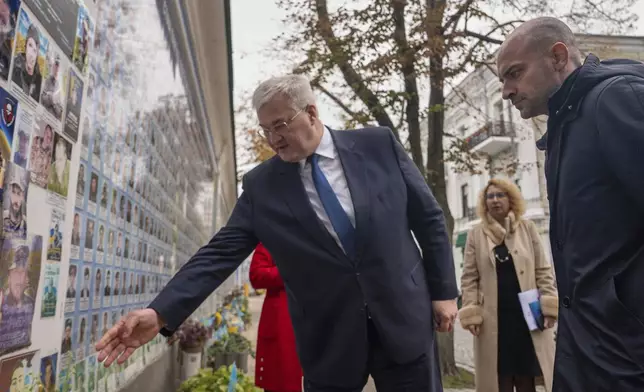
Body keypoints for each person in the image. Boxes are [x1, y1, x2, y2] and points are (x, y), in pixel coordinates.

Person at [97, 74, 458, 391]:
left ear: (312, 113)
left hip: (403, 319)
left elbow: (428, 218)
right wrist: (160, 314)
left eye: (280, 125)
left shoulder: (377, 145)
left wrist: (443, 292)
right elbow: (219, 253)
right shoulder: (261, 186)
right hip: (329, 339)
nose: (273, 138)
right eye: (265, 129)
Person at [497, 17, 644, 391]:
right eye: (502, 80)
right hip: (587, 350)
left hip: (626, 354)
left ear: (558, 57)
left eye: (514, 73)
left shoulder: (616, 98)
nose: (506, 91)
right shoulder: (565, 125)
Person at [459, 178, 557, 392]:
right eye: (490, 196)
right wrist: (471, 310)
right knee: (498, 379)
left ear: (511, 199)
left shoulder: (527, 228)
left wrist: (549, 307)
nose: (494, 200)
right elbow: (469, 278)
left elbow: (543, 270)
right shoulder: (476, 234)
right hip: (494, 322)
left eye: (500, 195)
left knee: (526, 378)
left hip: (526, 319)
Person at [249, 243, 303, 392]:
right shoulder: (272, 238)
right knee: (282, 381)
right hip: (282, 325)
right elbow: (256, 275)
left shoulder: (318, 237)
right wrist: (287, 272)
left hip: (316, 321)